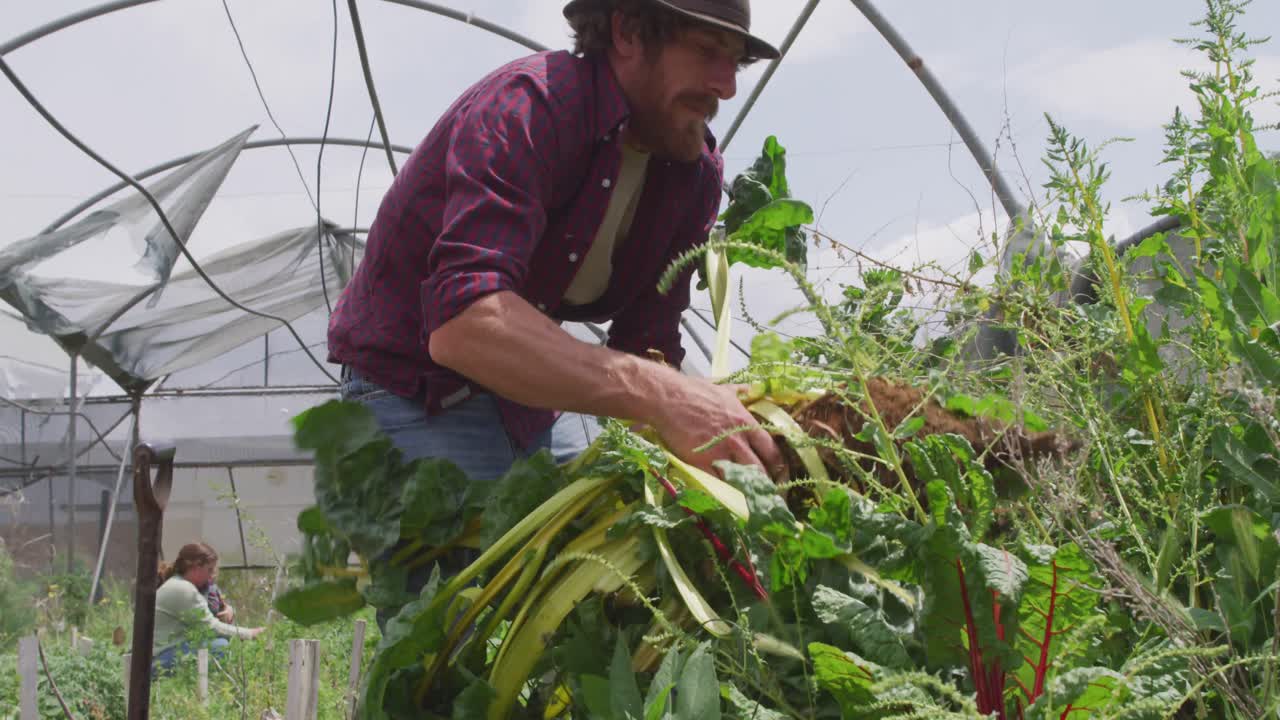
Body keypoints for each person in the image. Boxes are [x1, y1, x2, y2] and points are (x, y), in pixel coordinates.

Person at [326, 0, 786, 619]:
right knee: (447, 633)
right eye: (707, 53)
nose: (726, 86)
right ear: (626, 32)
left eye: (734, 65)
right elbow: (465, 327)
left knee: (593, 604)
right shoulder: (528, 107)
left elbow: (647, 343)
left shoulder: (691, 174)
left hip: (527, 398)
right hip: (412, 388)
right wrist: (664, 396)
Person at [152, 543, 263, 673]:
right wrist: (251, 633)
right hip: (160, 660)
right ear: (195, 566)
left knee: (221, 640)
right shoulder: (183, 589)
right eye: (209, 570)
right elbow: (211, 627)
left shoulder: (178, 584)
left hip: (163, 654)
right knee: (220, 647)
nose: (211, 576)